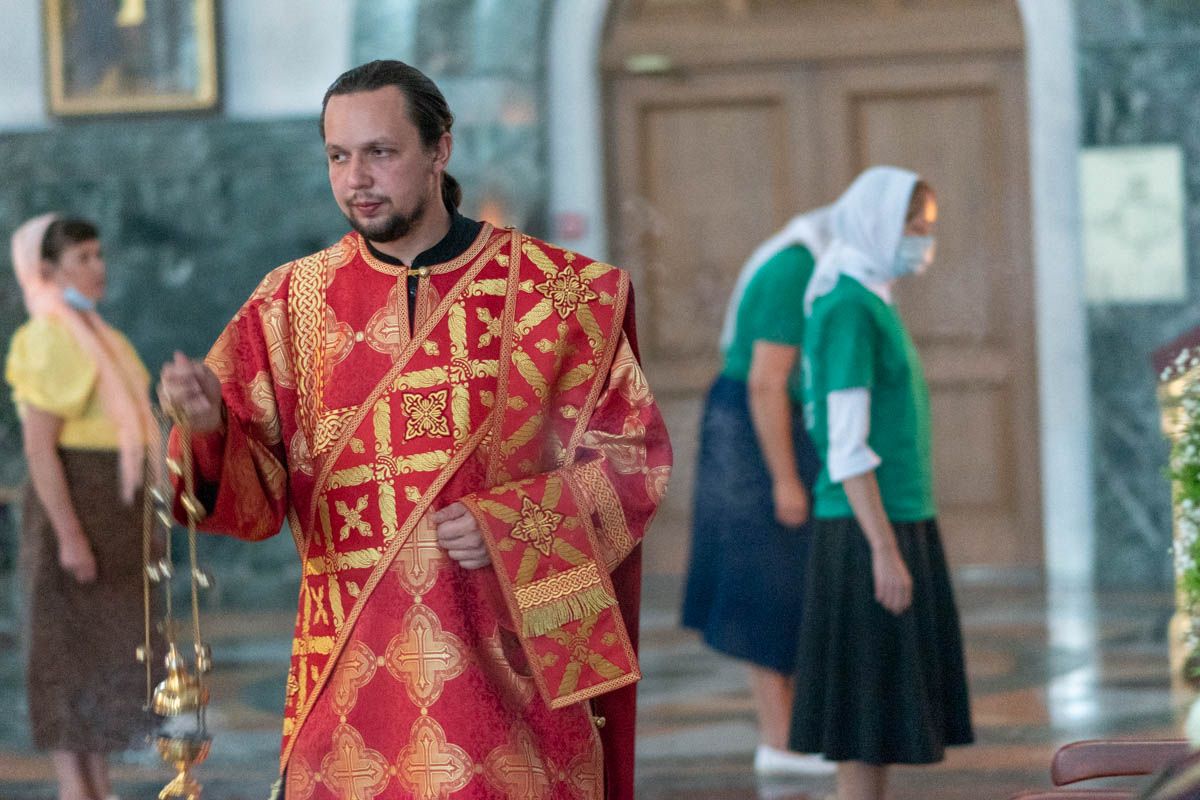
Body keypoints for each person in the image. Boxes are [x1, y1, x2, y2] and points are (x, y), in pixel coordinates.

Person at [157, 60, 671, 800]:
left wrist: (507, 523)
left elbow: (634, 462)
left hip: (516, 678)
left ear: (439, 151)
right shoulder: (287, 303)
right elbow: (251, 495)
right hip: (353, 681)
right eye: (338, 156)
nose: (356, 178)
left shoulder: (560, 295)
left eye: (380, 152)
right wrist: (207, 426)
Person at [788, 166, 974, 800]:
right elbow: (846, 446)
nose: (923, 240)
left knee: (877, 714)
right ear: (877, 225)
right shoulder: (848, 307)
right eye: (913, 227)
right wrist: (884, 549)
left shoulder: (871, 297)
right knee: (862, 713)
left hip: (893, 517)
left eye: (926, 227)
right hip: (864, 528)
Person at [6, 214, 159, 800]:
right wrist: (70, 536)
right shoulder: (48, 337)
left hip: (115, 516)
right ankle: (76, 787)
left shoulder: (102, 336)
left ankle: (98, 786)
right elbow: (40, 448)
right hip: (75, 511)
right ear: (47, 271)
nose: (98, 267)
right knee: (67, 655)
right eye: (83, 258)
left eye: (99, 254)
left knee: (105, 656)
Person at [681, 209, 835, 776]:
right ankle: (780, 742)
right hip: (754, 435)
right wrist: (785, 480)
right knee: (765, 588)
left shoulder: (813, 263)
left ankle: (795, 732)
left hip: (769, 428)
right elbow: (767, 382)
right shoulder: (796, 269)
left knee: (790, 585)